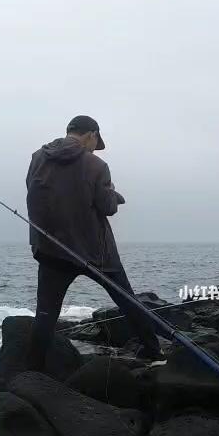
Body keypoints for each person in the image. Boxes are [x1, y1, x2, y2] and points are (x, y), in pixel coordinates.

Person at [26, 115, 167, 369]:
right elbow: (107, 207)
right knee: (127, 300)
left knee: (46, 314)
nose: (94, 147)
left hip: (51, 249)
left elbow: (34, 192)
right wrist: (112, 192)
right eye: (96, 141)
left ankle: (33, 370)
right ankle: (154, 353)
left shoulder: (38, 157)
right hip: (96, 252)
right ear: (91, 134)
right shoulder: (96, 166)